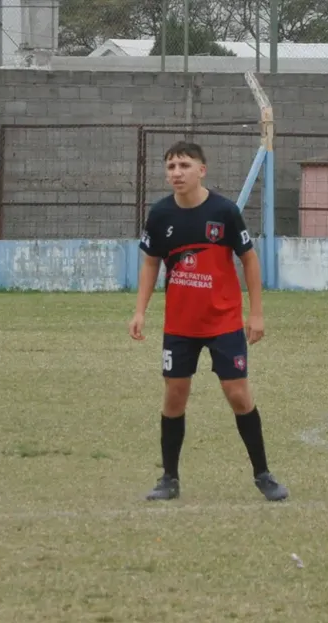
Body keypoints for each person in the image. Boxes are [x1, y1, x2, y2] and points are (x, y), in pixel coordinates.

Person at [129, 141, 289, 502]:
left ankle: (263, 474)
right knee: (174, 397)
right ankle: (169, 479)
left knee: (238, 395)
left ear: (202, 170)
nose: (177, 173)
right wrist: (140, 311)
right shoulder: (160, 215)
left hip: (223, 322)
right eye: (171, 166)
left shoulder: (224, 212)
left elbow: (249, 259)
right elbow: (151, 263)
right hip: (180, 325)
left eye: (184, 165)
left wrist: (256, 313)